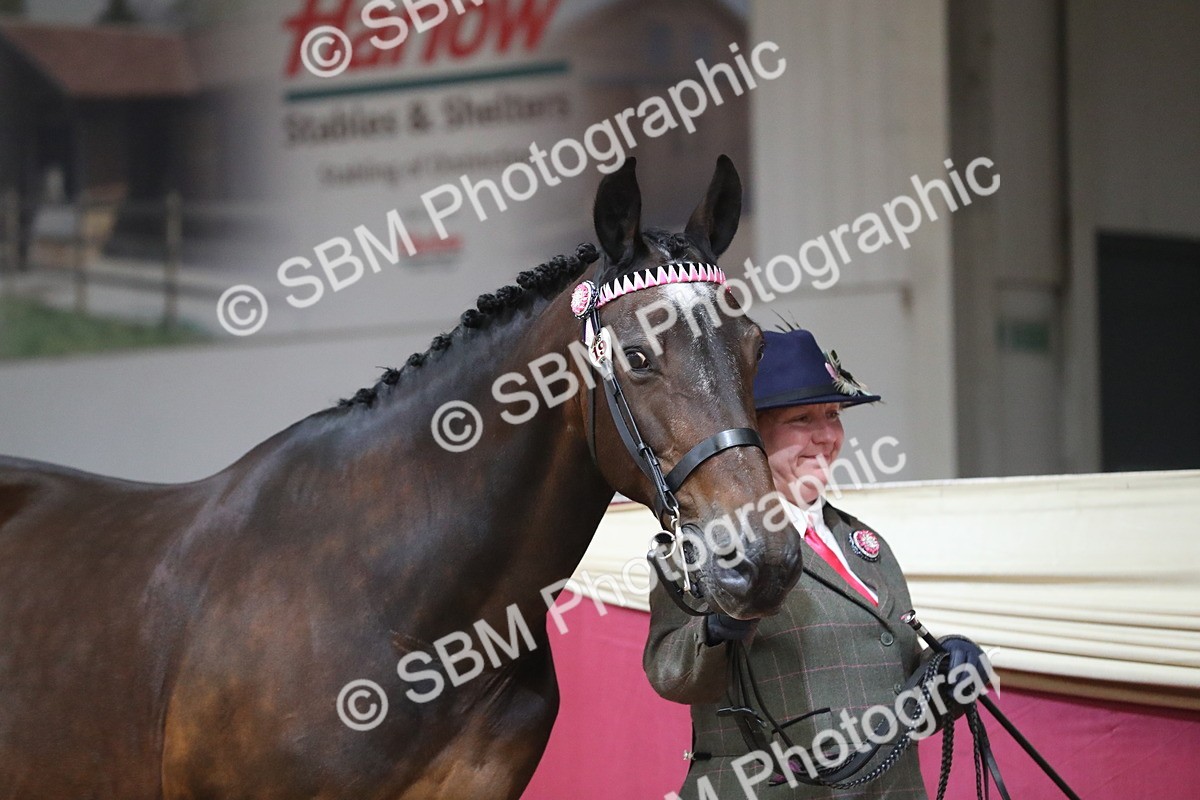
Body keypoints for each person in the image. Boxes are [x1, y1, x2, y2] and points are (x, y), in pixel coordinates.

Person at [644, 327, 989, 799]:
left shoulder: (865, 543)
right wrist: (715, 630)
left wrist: (944, 668)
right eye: (803, 418)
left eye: (833, 414)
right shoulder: (699, 545)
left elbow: (887, 675)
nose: (827, 436)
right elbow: (669, 671)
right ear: (752, 432)